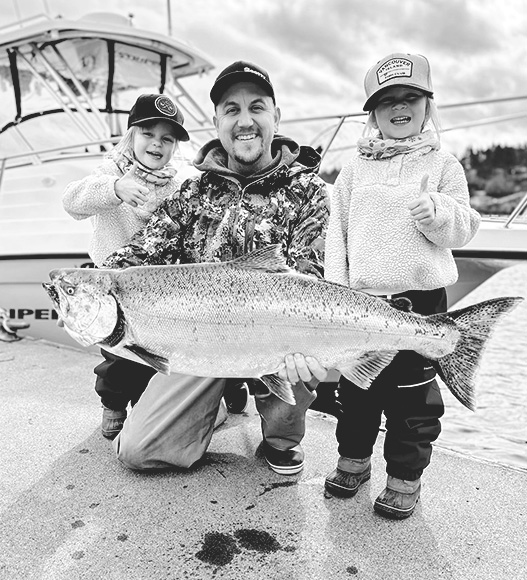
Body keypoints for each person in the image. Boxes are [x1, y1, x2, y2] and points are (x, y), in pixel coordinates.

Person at [101, 61, 330, 474]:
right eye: (231, 109)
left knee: (304, 345)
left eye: (256, 107)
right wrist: (101, 286)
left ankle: (281, 438)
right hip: (199, 341)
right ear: (217, 121)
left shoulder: (310, 192)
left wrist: (312, 344)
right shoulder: (191, 192)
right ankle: (215, 407)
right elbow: (143, 252)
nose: (245, 121)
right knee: (136, 452)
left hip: (277, 338)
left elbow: (311, 278)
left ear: (276, 116)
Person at [324, 53, 481, 519]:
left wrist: (440, 216)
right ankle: (353, 461)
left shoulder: (444, 164)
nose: (399, 107)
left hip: (422, 305)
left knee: (414, 404)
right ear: (371, 112)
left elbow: (465, 227)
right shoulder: (352, 170)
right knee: (354, 396)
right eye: (386, 100)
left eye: (410, 97)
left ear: (428, 103)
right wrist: (336, 293)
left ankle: (404, 479)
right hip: (360, 305)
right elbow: (338, 233)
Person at [63, 94, 189, 439]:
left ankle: (152, 405)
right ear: (131, 134)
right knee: (118, 357)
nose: (156, 144)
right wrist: (115, 189)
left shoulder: (175, 186)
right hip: (112, 293)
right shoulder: (111, 172)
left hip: (156, 295)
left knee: (152, 355)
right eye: (148, 133)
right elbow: (72, 201)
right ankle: (113, 404)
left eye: (167, 139)